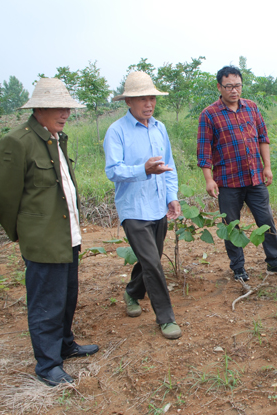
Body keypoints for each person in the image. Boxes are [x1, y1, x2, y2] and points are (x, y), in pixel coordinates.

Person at [0, 78, 99, 386]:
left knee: (67, 296)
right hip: (43, 240)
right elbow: (2, 198)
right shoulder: (17, 142)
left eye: (67, 108)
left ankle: (65, 345)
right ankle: (48, 365)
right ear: (39, 109)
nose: (65, 114)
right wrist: (26, 234)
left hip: (67, 236)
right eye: (58, 108)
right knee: (46, 303)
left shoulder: (56, 139)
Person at [197, 65, 277, 281]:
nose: (234, 90)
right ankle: (238, 267)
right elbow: (204, 150)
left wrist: (267, 166)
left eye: (238, 85)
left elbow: (263, 138)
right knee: (231, 225)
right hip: (227, 180)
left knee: (266, 220)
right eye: (228, 86)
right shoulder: (209, 114)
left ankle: (274, 262)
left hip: (255, 178)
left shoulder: (251, 107)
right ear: (219, 87)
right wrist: (209, 179)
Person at [104, 71, 182, 340]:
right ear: (128, 101)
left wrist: (171, 196)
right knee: (152, 263)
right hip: (133, 208)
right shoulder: (116, 131)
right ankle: (166, 319)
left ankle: (132, 292)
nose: (149, 104)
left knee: (152, 259)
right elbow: (113, 170)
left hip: (157, 206)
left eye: (152, 98)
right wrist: (143, 169)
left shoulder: (160, 128)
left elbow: (169, 166)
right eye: (142, 99)